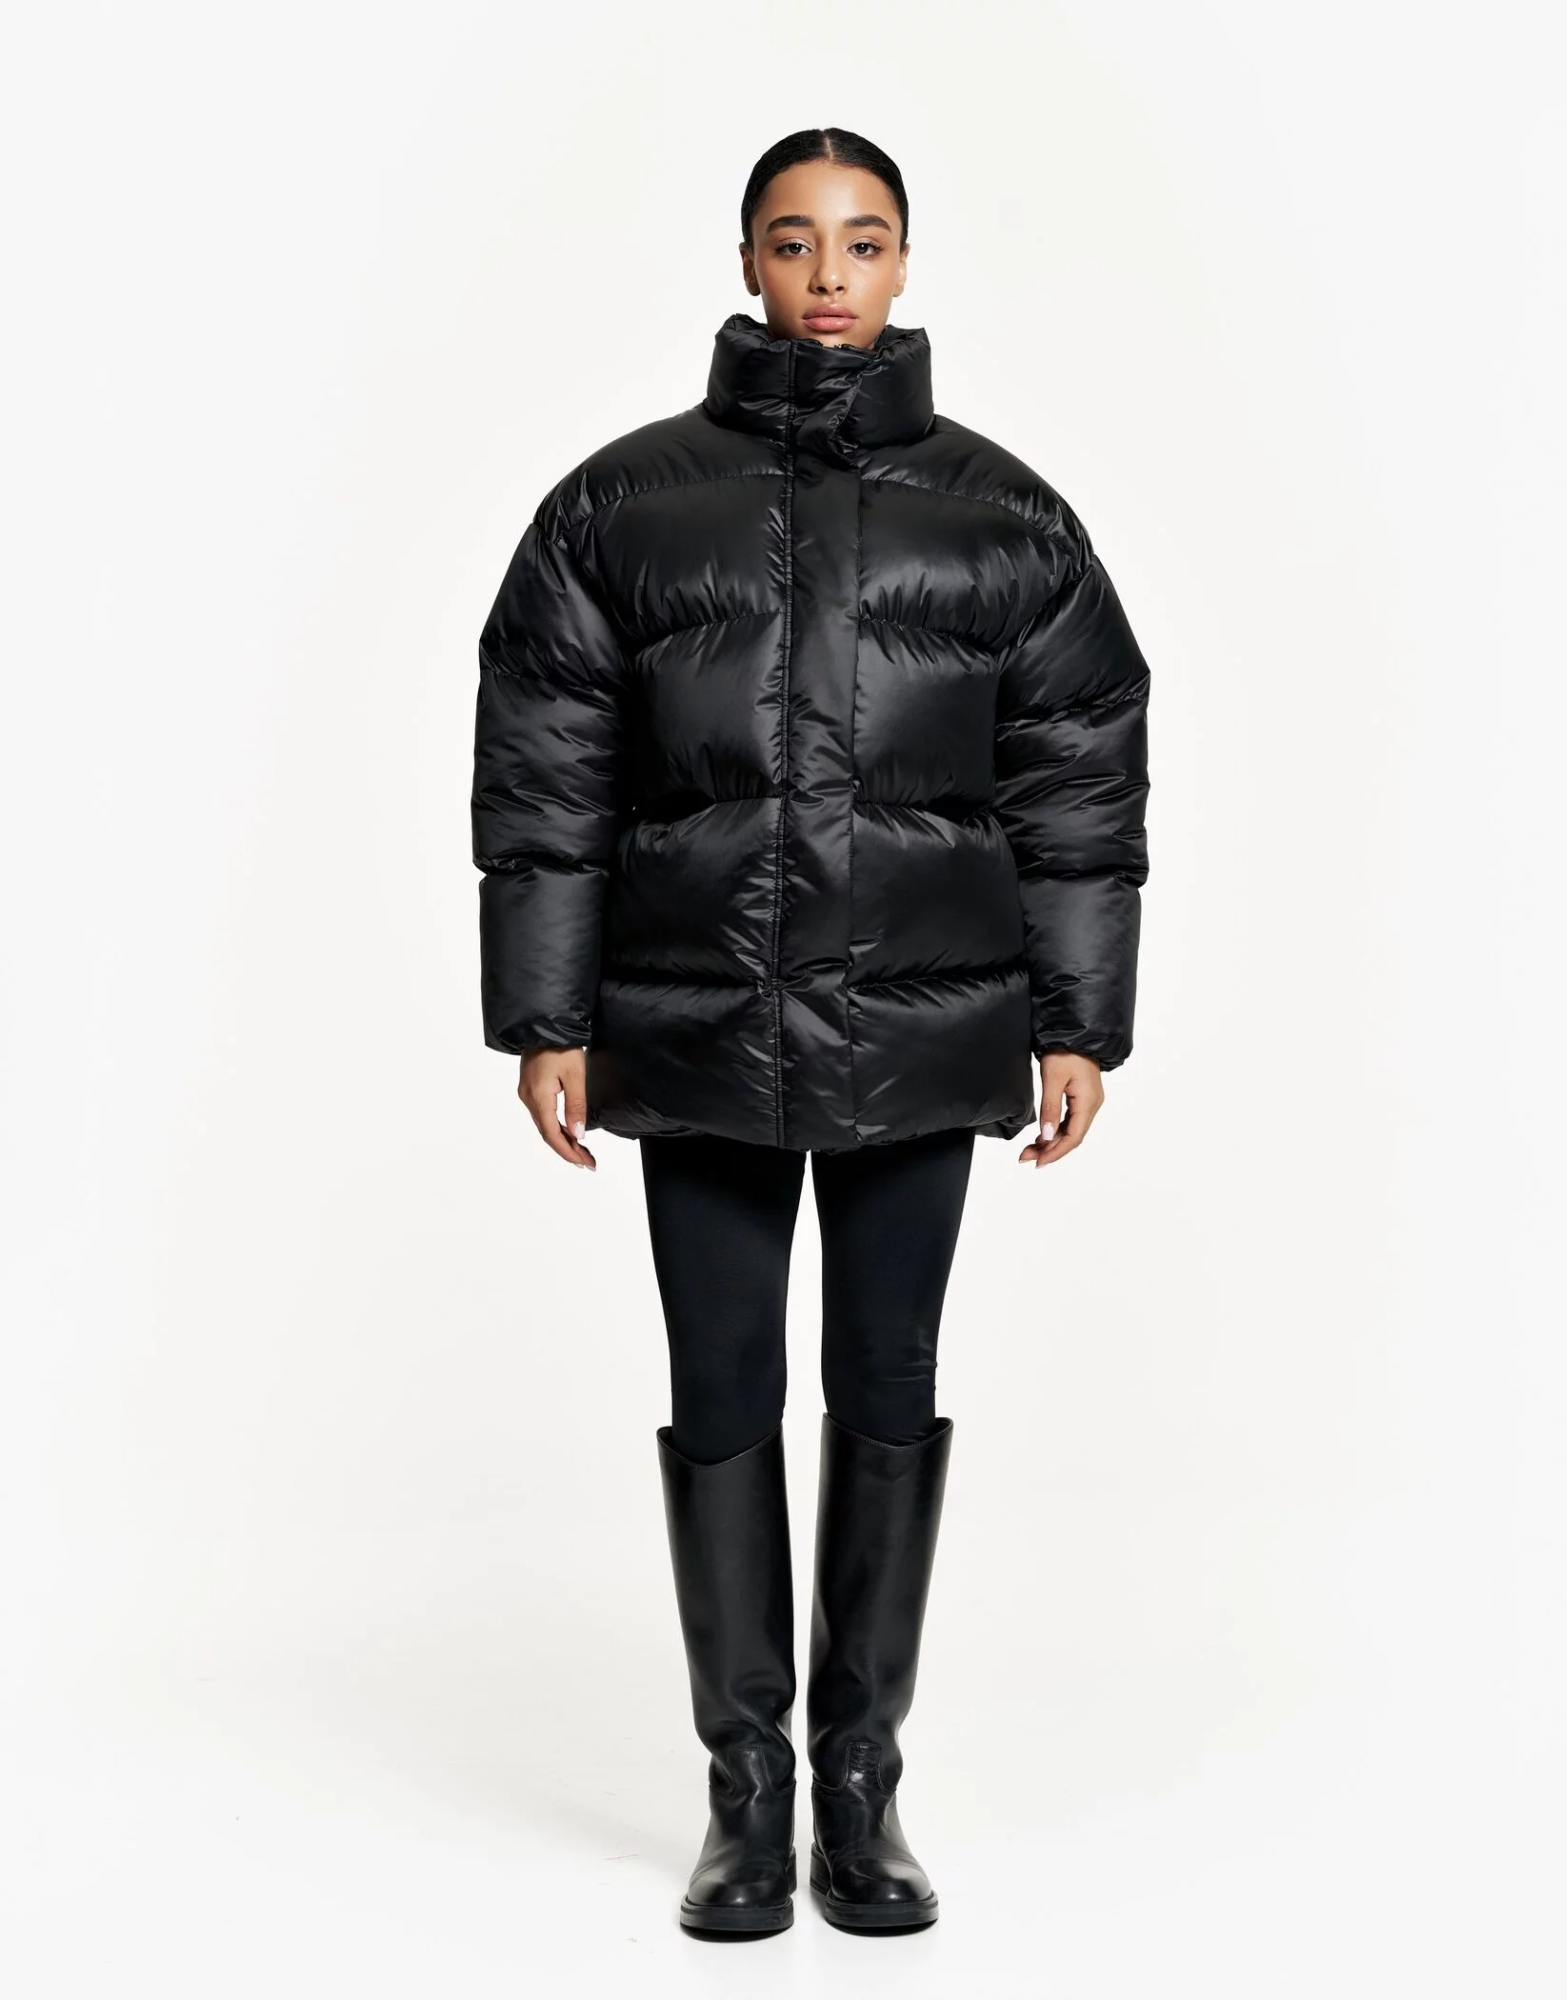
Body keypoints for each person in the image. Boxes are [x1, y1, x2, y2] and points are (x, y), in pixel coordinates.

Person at [471, 128, 1152, 1938]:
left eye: (862, 241)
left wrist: (1078, 1019)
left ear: (906, 261)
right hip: (693, 1025)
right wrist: (546, 1012)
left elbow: (1079, 772)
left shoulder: (1006, 519)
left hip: (925, 1031)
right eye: (795, 242)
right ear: (748, 262)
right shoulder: (621, 510)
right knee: (721, 1392)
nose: (829, 275)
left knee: (887, 1385)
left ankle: (861, 1785)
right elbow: (547, 768)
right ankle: (744, 1794)